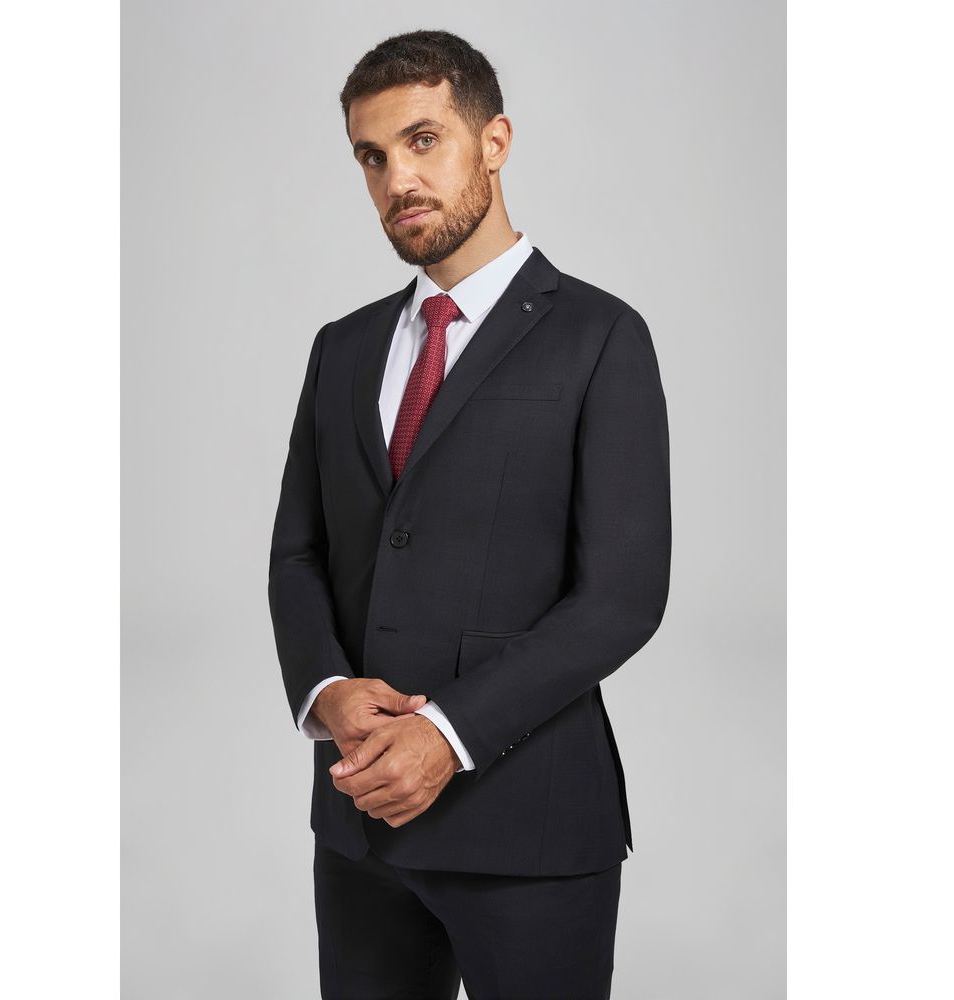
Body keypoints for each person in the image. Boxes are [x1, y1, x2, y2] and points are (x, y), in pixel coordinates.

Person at [268, 28, 671, 1000]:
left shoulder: (601, 336)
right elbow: (299, 553)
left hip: (528, 829)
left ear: (494, 142)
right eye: (371, 157)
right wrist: (327, 689)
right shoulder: (342, 348)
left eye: (422, 141)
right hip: (360, 825)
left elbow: (621, 596)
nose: (396, 179)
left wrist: (445, 733)